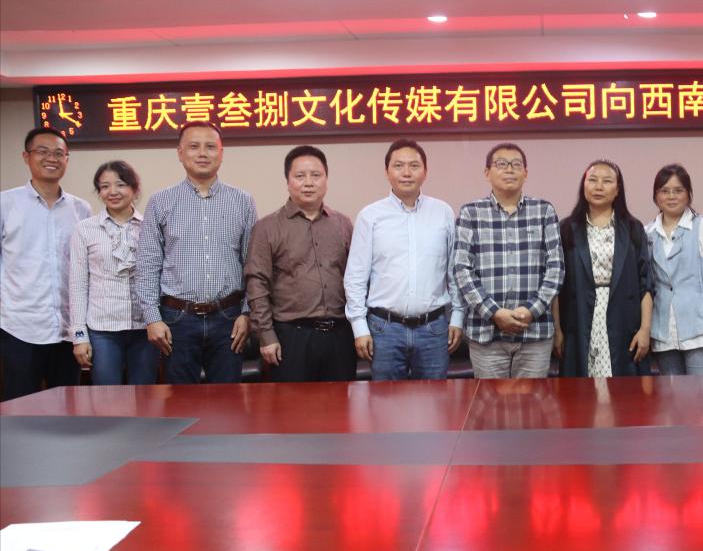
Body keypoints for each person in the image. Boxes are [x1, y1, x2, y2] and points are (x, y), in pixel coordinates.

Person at [137, 121, 257, 384]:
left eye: (210, 147)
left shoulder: (243, 201)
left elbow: (252, 265)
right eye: (194, 146)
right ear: (180, 153)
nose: (202, 153)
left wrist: (247, 313)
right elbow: (147, 265)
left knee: (227, 400)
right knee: (180, 400)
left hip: (229, 318)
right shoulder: (160, 202)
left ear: (221, 153)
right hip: (177, 319)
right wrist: (152, 319)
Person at [344, 139, 463, 380]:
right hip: (384, 330)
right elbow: (355, 276)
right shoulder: (370, 216)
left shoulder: (443, 213)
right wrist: (359, 327)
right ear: (387, 171)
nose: (406, 173)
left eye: (414, 166)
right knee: (384, 402)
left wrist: (458, 317)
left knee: (435, 400)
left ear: (425, 172)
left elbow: (454, 271)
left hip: (433, 329)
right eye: (398, 166)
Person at [245, 145, 356, 382]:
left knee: (340, 404)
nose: (308, 183)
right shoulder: (267, 227)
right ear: (288, 181)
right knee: (291, 404)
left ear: (326, 180)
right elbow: (257, 284)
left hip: (340, 335)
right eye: (300, 176)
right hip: (291, 337)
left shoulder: (343, 224)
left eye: (316, 175)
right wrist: (266, 335)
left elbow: (356, 278)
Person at [453, 143, 564, 378]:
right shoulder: (471, 213)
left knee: (532, 401)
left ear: (526, 173)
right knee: (490, 401)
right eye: (501, 164)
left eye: (516, 164)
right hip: (486, 334)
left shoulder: (543, 211)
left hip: (534, 333)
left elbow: (556, 268)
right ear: (487, 173)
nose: (509, 170)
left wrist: (531, 310)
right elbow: (462, 270)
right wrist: (494, 313)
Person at [0, 127, 91, 400]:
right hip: (20, 327)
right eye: (42, 151)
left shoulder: (81, 209)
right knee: (19, 408)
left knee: (68, 408)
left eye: (59, 153)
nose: (51, 158)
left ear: (67, 159)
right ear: (26, 156)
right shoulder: (5, 203)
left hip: (68, 330)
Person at [553, 159, 653, 377]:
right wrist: (557, 330)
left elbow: (645, 284)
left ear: (617, 190)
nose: (599, 187)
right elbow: (556, 285)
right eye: (593, 180)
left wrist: (645, 330)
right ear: (583, 186)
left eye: (607, 181)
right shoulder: (566, 229)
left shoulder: (633, 228)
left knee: (623, 388)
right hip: (579, 317)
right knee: (581, 387)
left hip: (623, 317)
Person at [68, 161, 160, 385]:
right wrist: (79, 336)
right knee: (106, 397)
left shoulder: (150, 226)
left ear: (134, 189)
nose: (113, 192)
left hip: (145, 328)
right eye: (105, 186)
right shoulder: (85, 229)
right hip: (103, 330)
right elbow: (78, 284)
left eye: (120, 184)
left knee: (146, 395)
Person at [644, 164, 703, 375]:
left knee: (701, 394)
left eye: (678, 190)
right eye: (664, 191)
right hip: (663, 331)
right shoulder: (647, 233)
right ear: (656, 196)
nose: (671, 196)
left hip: (700, 331)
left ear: (688, 194)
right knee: (669, 395)